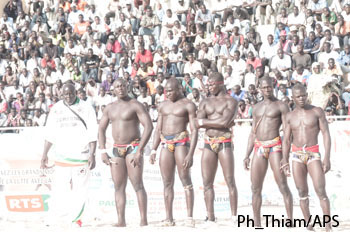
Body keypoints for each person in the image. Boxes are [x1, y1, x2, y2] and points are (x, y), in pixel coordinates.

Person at [40, 83, 97, 227]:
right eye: (66, 94)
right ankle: (56, 218)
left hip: (81, 156)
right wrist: (44, 154)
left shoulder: (86, 107)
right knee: (59, 189)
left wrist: (93, 153)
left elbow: (92, 132)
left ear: (76, 93)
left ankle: (76, 219)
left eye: (71, 94)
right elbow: (50, 133)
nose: (69, 97)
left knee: (80, 189)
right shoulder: (57, 108)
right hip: (61, 157)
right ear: (61, 94)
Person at [98, 79, 153, 227]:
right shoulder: (109, 108)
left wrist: (140, 150)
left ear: (127, 86)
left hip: (133, 147)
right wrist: (103, 150)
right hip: (117, 148)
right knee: (118, 186)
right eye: (117, 86)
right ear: (113, 90)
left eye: (123, 85)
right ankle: (121, 221)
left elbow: (148, 126)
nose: (120, 88)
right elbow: (101, 129)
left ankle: (143, 220)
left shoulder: (135, 104)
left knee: (137, 184)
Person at [243, 76, 293, 227]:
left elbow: (287, 134)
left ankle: (290, 221)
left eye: (269, 87)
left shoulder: (281, 106)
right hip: (259, 147)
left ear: (273, 86)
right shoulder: (256, 107)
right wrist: (246, 155)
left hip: (275, 146)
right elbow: (252, 132)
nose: (267, 90)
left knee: (282, 185)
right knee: (255, 187)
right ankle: (257, 222)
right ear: (259, 88)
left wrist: (285, 157)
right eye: (264, 87)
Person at [281, 84, 332, 232]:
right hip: (296, 155)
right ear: (293, 98)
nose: (301, 98)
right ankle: (309, 225)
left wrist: (327, 157)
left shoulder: (316, 111)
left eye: (303, 95)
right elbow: (286, 140)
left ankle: (328, 226)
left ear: (306, 94)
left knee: (320, 190)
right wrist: (284, 159)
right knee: (302, 192)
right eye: (298, 96)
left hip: (313, 153)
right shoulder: (289, 116)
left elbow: (326, 134)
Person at [149, 78, 198, 227]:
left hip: (181, 142)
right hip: (165, 143)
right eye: (166, 91)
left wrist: (191, 154)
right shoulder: (162, 105)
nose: (168, 93)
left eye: (171, 90)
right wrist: (153, 149)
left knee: (185, 178)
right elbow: (158, 129)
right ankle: (169, 218)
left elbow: (194, 130)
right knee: (167, 182)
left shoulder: (188, 105)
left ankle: (189, 217)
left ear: (179, 89)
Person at [196, 72, 238, 223]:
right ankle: (210, 216)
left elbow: (225, 123)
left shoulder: (230, 101)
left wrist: (204, 122)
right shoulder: (205, 102)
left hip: (224, 142)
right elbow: (196, 122)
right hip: (208, 142)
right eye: (208, 84)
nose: (209, 87)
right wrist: (216, 122)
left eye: (212, 84)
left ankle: (234, 216)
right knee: (207, 182)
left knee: (230, 180)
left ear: (221, 83)